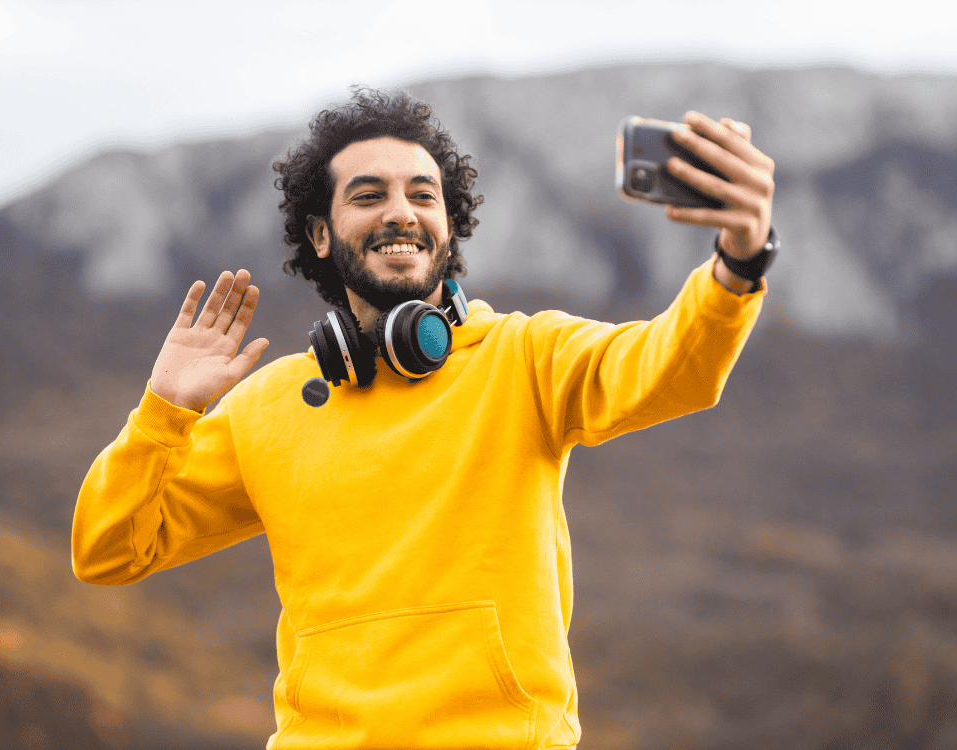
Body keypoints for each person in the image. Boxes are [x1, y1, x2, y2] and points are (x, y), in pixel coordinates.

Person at [73, 87, 776, 749]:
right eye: (369, 195)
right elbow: (107, 551)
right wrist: (164, 410)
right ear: (320, 233)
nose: (400, 212)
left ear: (448, 226)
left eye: (422, 194)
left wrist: (737, 266)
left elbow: (673, 367)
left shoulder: (525, 356)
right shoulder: (268, 406)